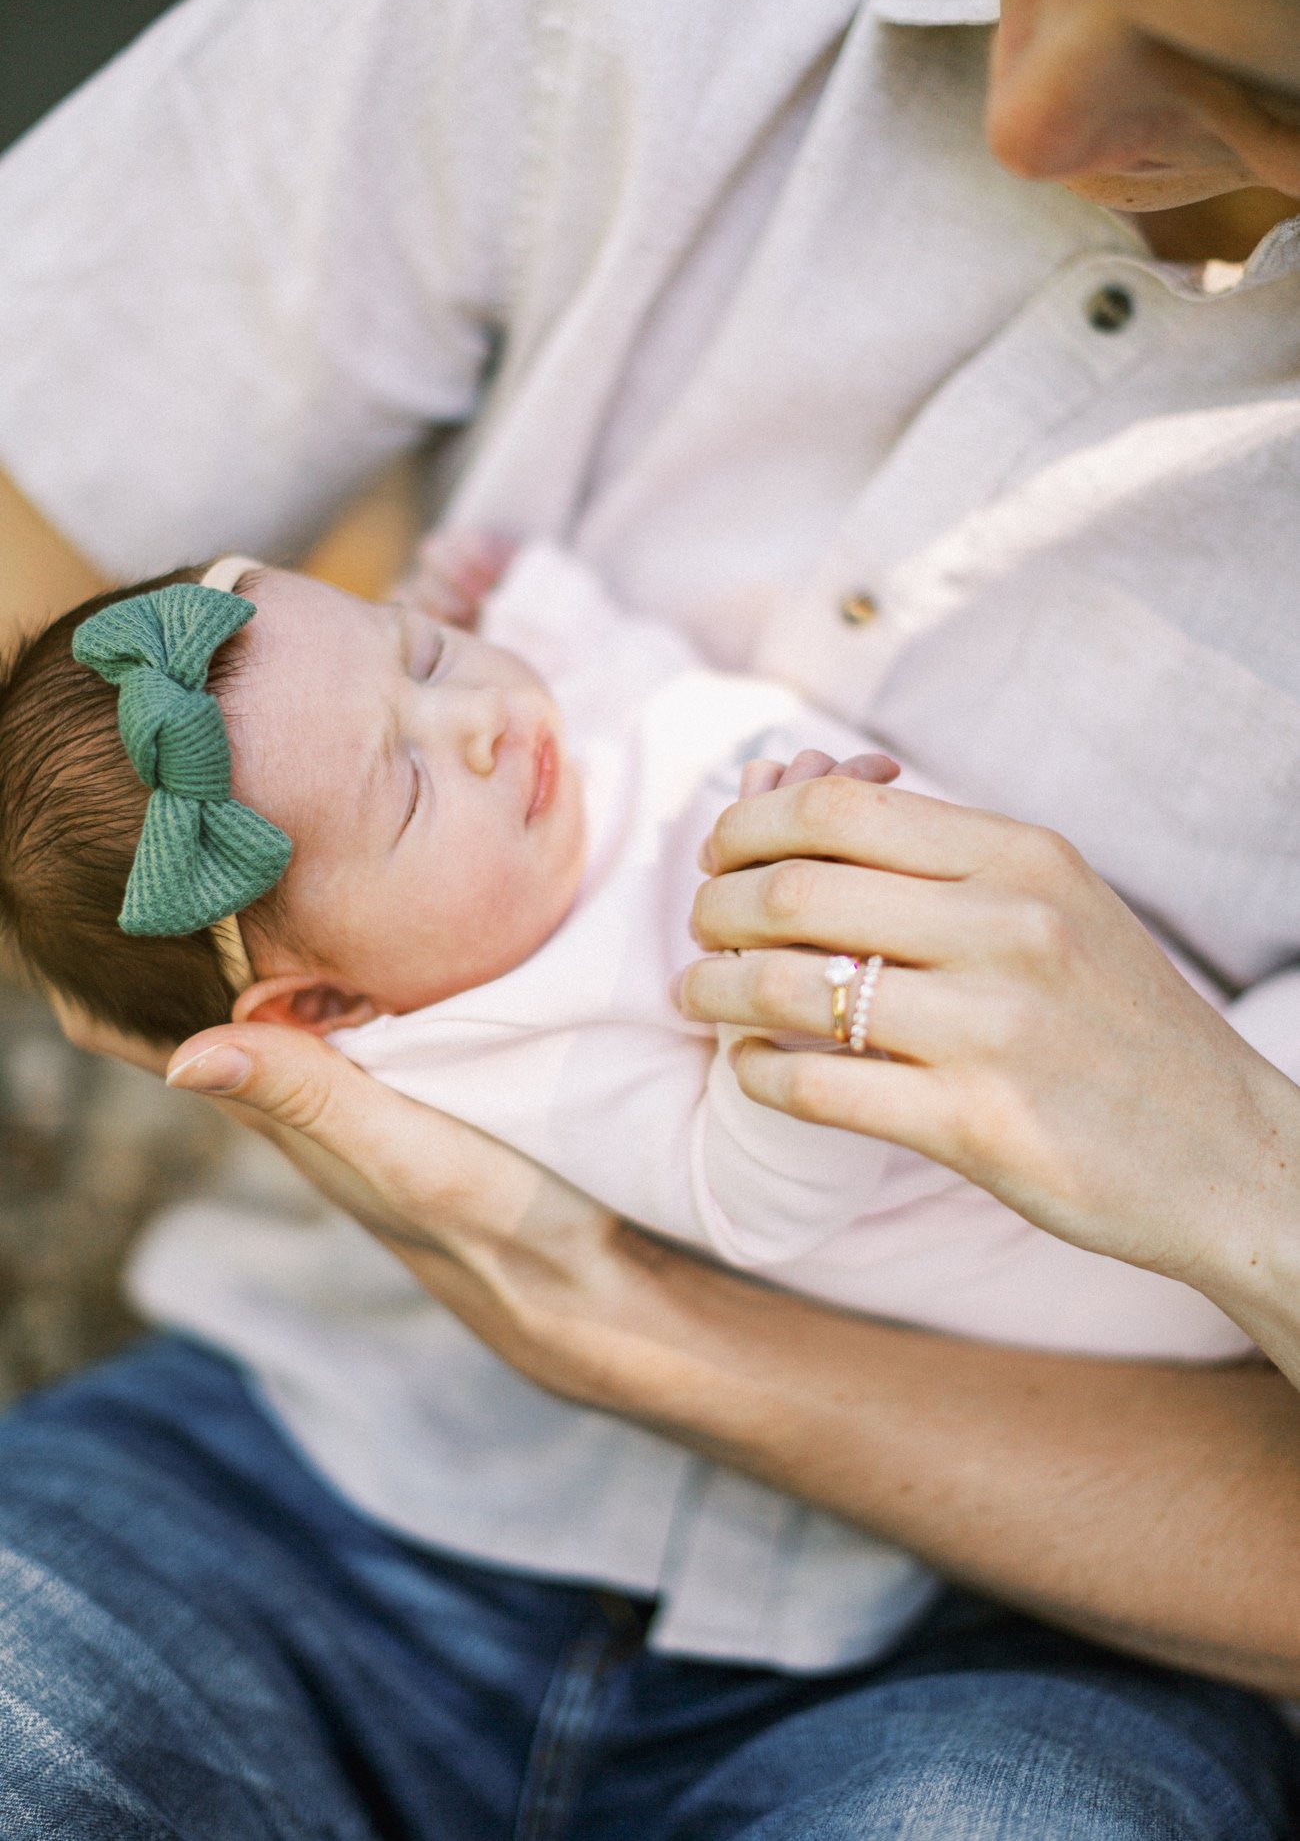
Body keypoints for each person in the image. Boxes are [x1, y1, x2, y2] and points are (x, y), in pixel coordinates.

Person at [3, 0, 1300, 1833]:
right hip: (321, 1436)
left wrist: (1233, 1172)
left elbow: (520, 652)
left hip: (1026, 1627)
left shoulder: (509, 729)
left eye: (1243, 76)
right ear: (323, 999)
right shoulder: (467, 1048)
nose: (1019, 121)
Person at [3, 538, 1253, 1364]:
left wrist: (514, 594)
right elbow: (752, 1206)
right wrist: (788, 1024)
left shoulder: (524, 802)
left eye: (419, 648)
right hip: (1106, 1249)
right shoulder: (510, 1048)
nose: (482, 721)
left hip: (1158, 1031)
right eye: (410, 790)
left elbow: (607, 684)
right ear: (328, 998)